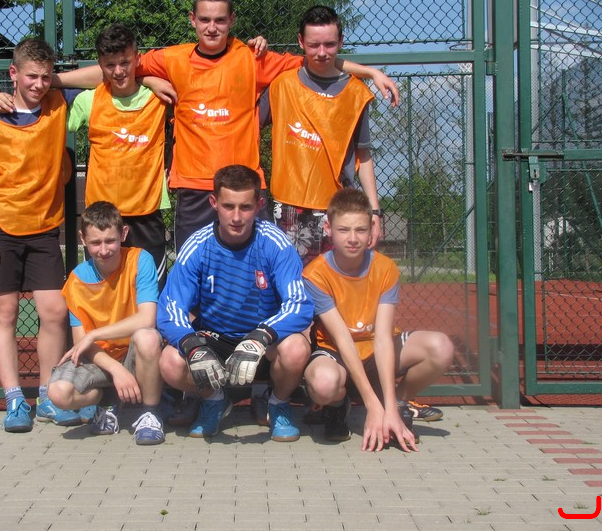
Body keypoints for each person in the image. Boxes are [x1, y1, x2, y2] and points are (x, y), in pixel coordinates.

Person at [49, 0, 399, 251]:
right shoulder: (172, 59)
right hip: (193, 188)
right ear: (192, 20)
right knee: (195, 276)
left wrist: (370, 72)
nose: (212, 27)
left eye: (220, 20)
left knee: (254, 276)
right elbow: (114, 70)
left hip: (244, 187)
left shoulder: (252, 58)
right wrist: (56, 80)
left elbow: (317, 60)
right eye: (205, 19)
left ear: (232, 21)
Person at [0, 25, 171, 286]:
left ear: (137, 59)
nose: (118, 71)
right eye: (110, 65)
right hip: (101, 216)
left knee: (151, 294)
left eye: (125, 63)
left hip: (147, 211)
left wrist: (149, 80)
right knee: (103, 294)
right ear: (100, 65)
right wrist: (5, 99)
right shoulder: (90, 100)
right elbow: (36, 110)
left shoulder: (159, 97)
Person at [0, 38, 83, 432]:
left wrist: (58, 80)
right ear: (13, 73)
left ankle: (48, 397)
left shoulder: (57, 102)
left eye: (45, 77)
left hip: (44, 228)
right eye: (32, 76)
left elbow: (103, 75)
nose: (39, 84)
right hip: (0, 228)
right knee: (6, 313)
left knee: (54, 312)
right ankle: (15, 399)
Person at [156, 165, 314, 442]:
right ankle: (214, 400)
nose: (237, 217)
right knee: (170, 361)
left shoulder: (275, 243)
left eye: (245, 207)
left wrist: (261, 336)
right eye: (228, 206)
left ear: (259, 205)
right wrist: (192, 346)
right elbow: (171, 309)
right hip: (215, 340)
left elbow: (299, 304)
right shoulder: (197, 245)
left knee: (297, 348)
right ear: (214, 203)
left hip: (263, 343)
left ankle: (277, 403)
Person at [302, 188, 455, 452]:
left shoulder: (385, 268)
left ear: (372, 229)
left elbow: (383, 338)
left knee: (441, 347)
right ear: (328, 228)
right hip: (338, 353)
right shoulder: (315, 274)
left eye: (360, 230)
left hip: (376, 350)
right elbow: (343, 339)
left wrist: (388, 407)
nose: (353, 238)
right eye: (343, 230)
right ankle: (337, 406)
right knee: (323, 383)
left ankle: (398, 404)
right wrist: (372, 406)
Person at [260, 5, 384, 265]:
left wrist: (374, 211)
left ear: (341, 41)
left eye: (329, 44)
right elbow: (245, 125)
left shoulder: (356, 93)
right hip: (289, 206)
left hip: (338, 207)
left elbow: (363, 155)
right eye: (314, 45)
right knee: (292, 284)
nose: (322, 53)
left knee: (339, 285)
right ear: (301, 42)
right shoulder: (281, 85)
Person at [47, 201, 165, 445]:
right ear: (83, 239)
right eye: (95, 243)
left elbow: (147, 318)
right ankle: (106, 401)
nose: (103, 250)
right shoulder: (76, 280)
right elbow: (82, 342)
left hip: (135, 355)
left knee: (148, 337)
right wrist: (116, 370)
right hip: (99, 359)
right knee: (58, 393)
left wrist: (94, 334)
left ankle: (150, 415)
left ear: (123, 234)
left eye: (110, 241)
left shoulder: (140, 260)